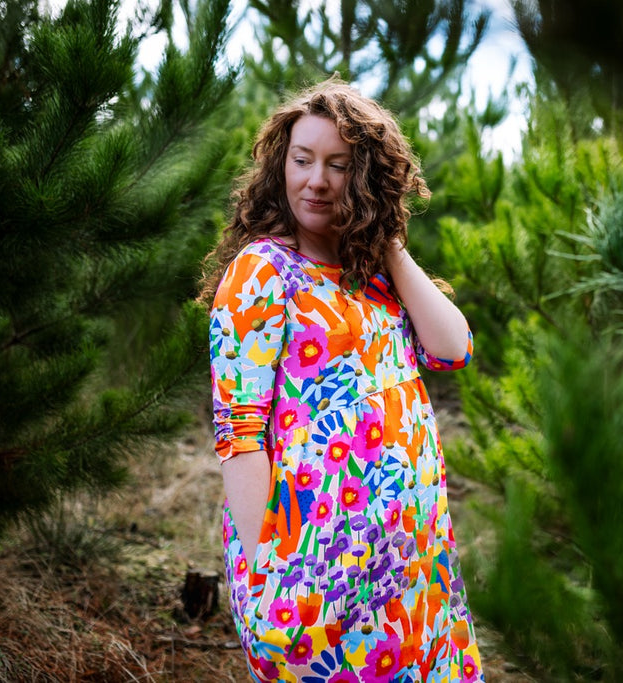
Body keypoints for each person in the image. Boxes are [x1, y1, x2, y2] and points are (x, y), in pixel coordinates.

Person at [199, 77, 484, 682]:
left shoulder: (375, 274)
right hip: (313, 575)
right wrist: (265, 571)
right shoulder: (263, 272)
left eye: (338, 164)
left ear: (364, 177)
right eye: (302, 161)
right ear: (281, 166)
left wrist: (390, 248)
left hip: (411, 563)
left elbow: (454, 347)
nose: (317, 180)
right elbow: (238, 432)